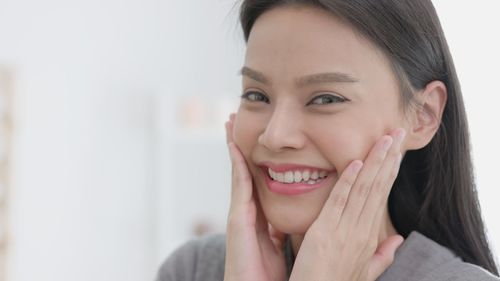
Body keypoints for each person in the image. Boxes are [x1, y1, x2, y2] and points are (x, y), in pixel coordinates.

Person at [156, 0, 500, 280]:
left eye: (325, 99)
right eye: (257, 95)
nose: (275, 135)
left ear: (423, 116)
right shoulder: (193, 270)